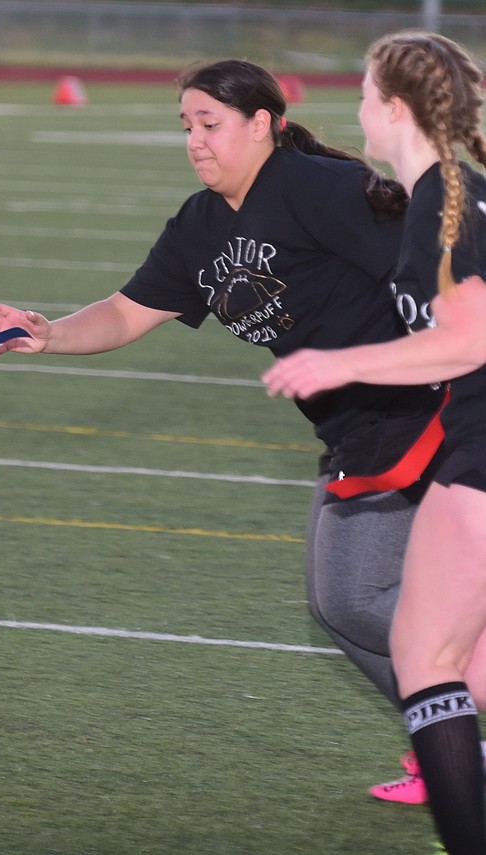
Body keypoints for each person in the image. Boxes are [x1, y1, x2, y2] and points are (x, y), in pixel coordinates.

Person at [0, 58, 450, 801]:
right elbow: (131, 310)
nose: (195, 140)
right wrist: (51, 333)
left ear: (263, 124)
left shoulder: (310, 187)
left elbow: (432, 263)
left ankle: (450, 736)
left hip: (419, 408)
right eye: (186, 126)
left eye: (211, 123)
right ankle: (445, 737)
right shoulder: (200, 224)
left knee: (354, 594)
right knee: (348, 601)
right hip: (355, 426)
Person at [263, 31, 486, 855]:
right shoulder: (466, 190)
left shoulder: (441, 199)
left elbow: (468, 341)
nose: (356, 110)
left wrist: (337, 359)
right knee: (470, 665)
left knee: (423, 657)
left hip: (480, 450)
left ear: (395, 109)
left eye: (363, 95)